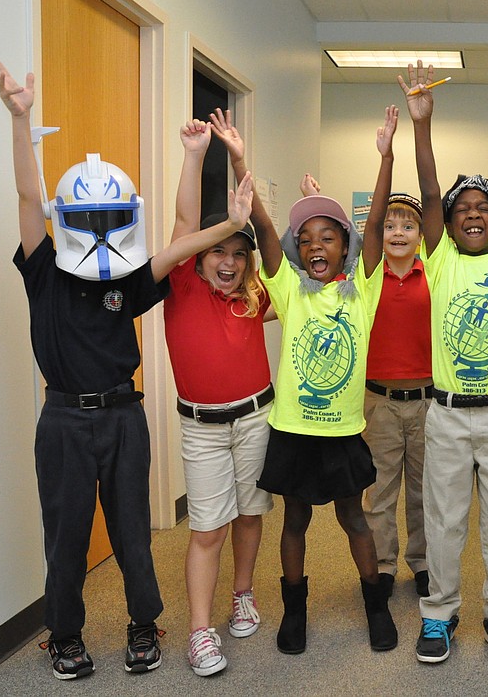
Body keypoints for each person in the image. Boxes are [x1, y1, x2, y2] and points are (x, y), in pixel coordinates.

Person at [0, 55, 254, 681]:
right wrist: (20, 122)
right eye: (86, 221)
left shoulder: (125, 282)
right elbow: (27, 194)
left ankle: (141, 625)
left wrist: (228, 223)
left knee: (133, 535)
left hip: (124, 416)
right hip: (64, 420)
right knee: (66, 537)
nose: (98, 231)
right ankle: (66, 636)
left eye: (109, 221)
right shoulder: (44, 269)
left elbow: (181, 244)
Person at [208, 106, 395, 654]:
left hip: (341, 432)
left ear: (346, 249)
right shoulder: (287, 290)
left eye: (328, 238)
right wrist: (238, 157)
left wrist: (385, 158)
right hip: (292, 428)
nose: (316, 246)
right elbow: (264, 228)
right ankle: (295, 610)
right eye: (306, 239)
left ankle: (374, 605)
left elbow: (378, 221)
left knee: (354, 518)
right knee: (294, 522)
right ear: (297, 251)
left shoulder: (364, 290)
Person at [399, 58, 488, 665]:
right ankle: (440, 615)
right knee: (445, 521)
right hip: (448, 415)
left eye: (482, 208)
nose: (475, 212)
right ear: (448, 226)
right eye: (462, 210)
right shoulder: (442, 260)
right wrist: (422, 125)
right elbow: (428, 190)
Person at [164, 119, 275, 676]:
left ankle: (244, 594)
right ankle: (200, 631)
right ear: (202, 255)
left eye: (237, 252)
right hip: (202, 428)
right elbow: (186, 225)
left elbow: (270, 245)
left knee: (251, 514)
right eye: (218, 251)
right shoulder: (182, 284)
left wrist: (239, 159)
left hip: (257, 417)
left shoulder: (254, 296)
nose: (227, 261)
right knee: (208, 528)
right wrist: (194, 154)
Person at [301, 179, 433, 599]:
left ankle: (424, 562)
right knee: (379, 492)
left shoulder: (436, 272)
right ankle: (382, 565)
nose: (397, 232)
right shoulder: (361, 278)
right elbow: (321, 264)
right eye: (389, 224)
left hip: (428, 400)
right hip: (377, 401)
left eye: (407, 225)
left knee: (425, 489)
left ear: (421, 235)